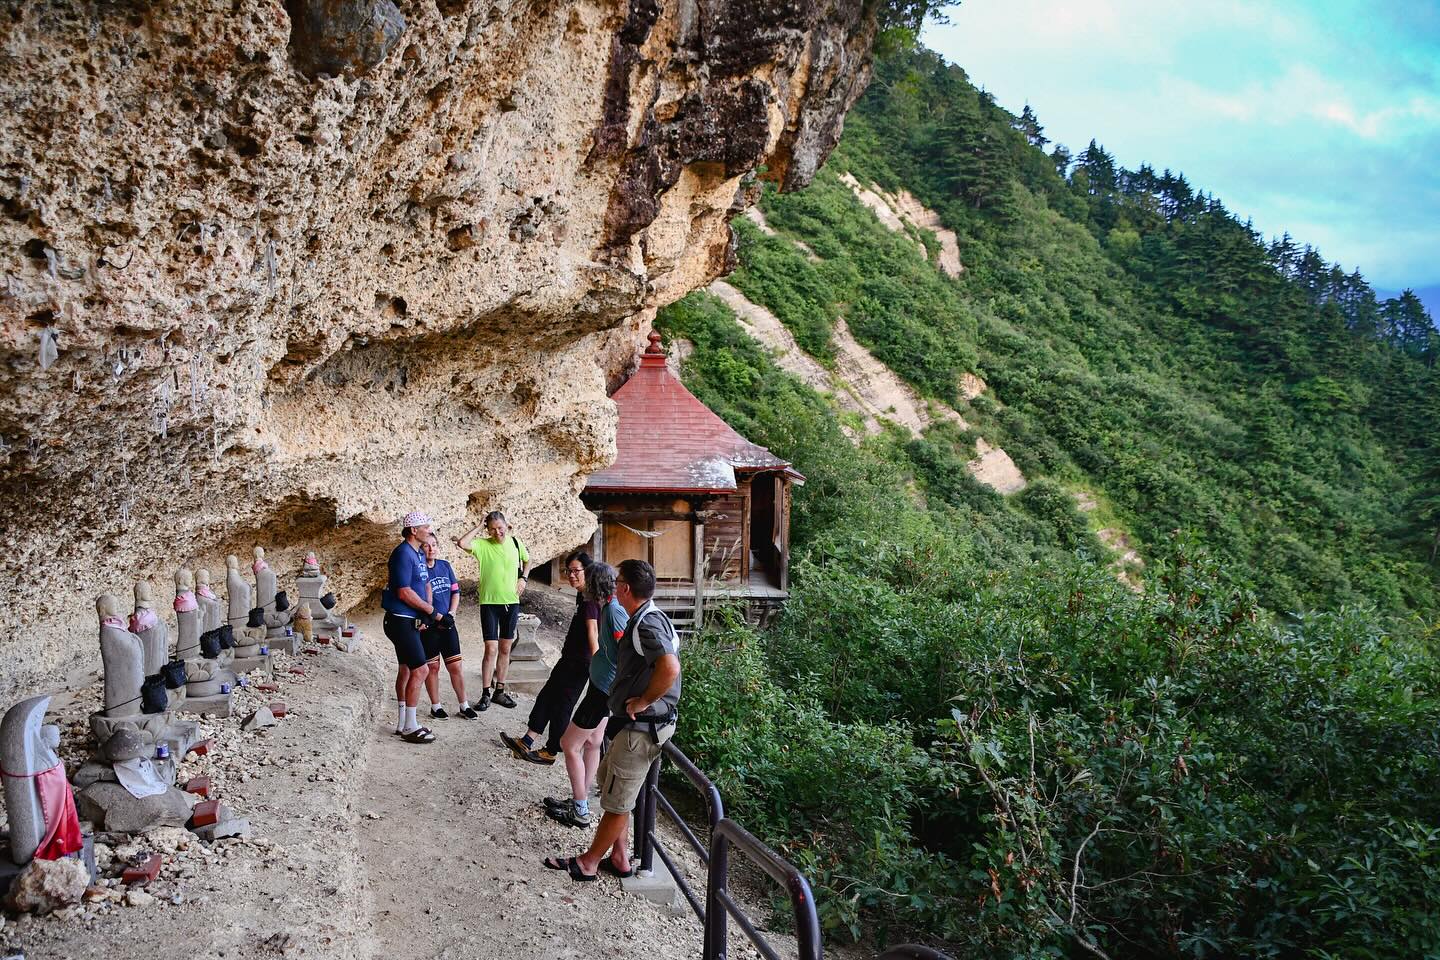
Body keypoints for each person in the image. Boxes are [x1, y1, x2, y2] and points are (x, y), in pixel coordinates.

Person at [544, 559, 680, 881]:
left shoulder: (645, 624)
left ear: (625, 588)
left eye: (618, 580)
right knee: (612, 785)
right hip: (631, 723)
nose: (613, 584)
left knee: (618, 801)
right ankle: (619, 856)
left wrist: (645, 699)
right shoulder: (647, 616)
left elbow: (669, 668)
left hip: (642, 728)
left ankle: (589, 863)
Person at [543, 561, 627, 828]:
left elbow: (625, 650)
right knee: (593, 741)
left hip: (603, 690)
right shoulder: (609, 606)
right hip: (604, 685)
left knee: (569, 744)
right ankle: (582, 798)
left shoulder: (613, 611)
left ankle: (579, 809)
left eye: (585, 580)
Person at [500, 552, 597, 765]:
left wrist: (596, 664)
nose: (571, 575)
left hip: (581, 662)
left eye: (575, 571)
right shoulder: (583, 596)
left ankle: (552, 750)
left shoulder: (591, 601)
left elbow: (593, 635)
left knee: (563, 703)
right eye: (568, 571)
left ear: (587, 572)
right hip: (569, 658)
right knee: (547, 696)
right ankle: (527, 740)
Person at [382, 511, 449, 744]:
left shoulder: (418, 553)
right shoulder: (402, 554)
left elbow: (424, 584)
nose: (429, 531)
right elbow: (403, 591)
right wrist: (433, 612)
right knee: (421, 670)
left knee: (407, 669)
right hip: (400, 619)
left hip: (410, 619)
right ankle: (411, 725)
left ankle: (402, 723)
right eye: (426, 527)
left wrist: (427, 612)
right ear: (413, 530)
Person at [455, 511, 529, 710]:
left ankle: (500, 691)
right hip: (489, 603)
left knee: (505, 648)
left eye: (500, 527)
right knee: (491, 648)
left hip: (511, 603)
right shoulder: (482, 545)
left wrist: (524, 578)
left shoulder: (516, 543)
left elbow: (527, 560)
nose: (498, 532)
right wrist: (480, 526)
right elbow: (462, 543)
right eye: (493, 529)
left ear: (507, 525)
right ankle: (486, 692)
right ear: (488, 530)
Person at [421, 533, 477, 720]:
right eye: (427, 545)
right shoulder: (419, 570)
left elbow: (455, 592)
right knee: (433, 668)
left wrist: (451, 614)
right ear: (420, 548)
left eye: (434, 545)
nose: (431, 549)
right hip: (429, 626)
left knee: (456, 667)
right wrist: (436, 617)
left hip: (448, 623)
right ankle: (435, 706)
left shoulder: (444, 566)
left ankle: (464, 705)